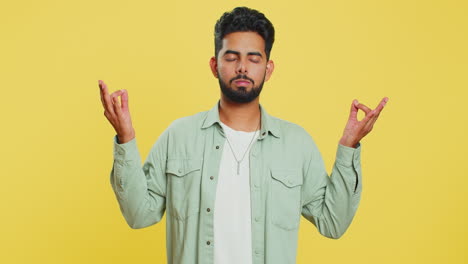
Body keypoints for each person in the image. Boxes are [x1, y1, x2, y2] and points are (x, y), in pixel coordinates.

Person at [98, 6, 388, 264]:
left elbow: (332, 223)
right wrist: (126, 138)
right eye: (232, 57)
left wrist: (349, 147)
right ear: (215, 65)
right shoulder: (179, 137)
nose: (242, 68)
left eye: (254, 58)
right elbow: (139, 215)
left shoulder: (296, 144)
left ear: (268, 68)